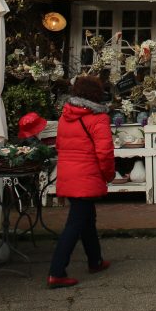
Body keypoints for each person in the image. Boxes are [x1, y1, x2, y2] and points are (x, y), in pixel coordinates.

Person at [47, 74, 115, 288]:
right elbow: (104, 152)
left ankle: (95, 260)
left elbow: (59, 145)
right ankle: (57, 271)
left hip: (69, 174)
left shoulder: (65, 116)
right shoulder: (98, 118)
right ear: (96, 93)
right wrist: (109, 174)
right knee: (75, 223)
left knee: (87, 218)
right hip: (86, 175)